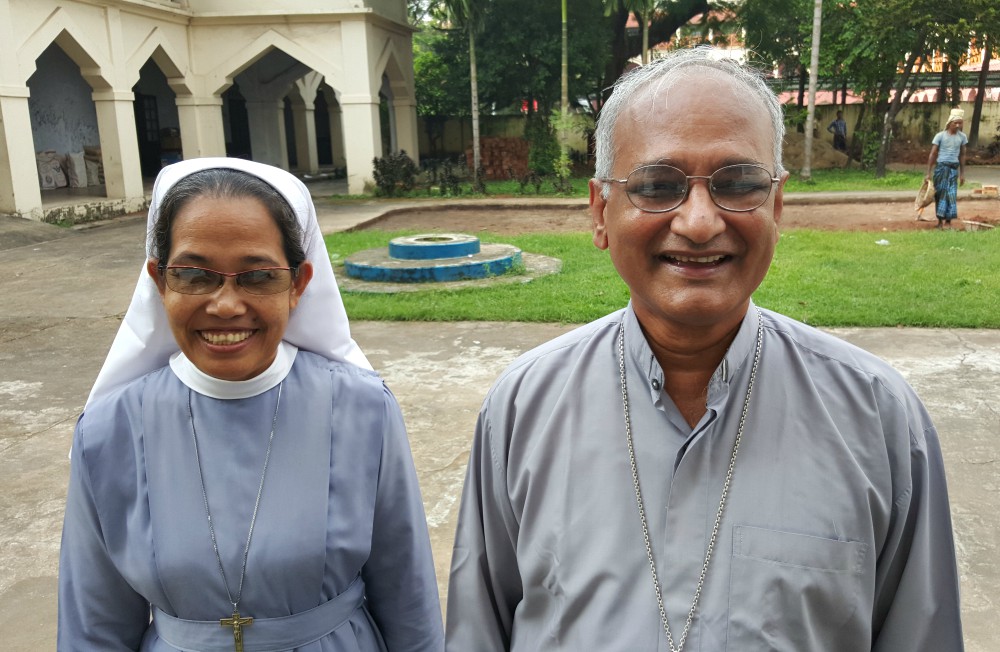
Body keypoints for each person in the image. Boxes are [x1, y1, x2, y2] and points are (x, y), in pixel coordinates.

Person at [446, 47, 963, 651]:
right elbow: (479, 631)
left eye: (738, 184)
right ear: (600, 211)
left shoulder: (876, 418)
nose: (697, 222)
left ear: (775, 204)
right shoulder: (522, 409)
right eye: (657, 185)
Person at [58, 158, 444, 651]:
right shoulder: (106, 431)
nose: (224, 305)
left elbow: (407, 595)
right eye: (194, 275)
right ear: (159, 280)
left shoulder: (363, 408)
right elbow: (93, 626)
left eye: (257, 276)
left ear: (299, 283)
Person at [926, 107, 968, 229]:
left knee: (951, 195)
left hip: (953, 170)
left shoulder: (962, 137)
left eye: (960, 123)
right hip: (941, 168)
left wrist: (962, 174)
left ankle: (948, 222)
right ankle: (939, 222)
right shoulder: (940, 136)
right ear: (950, 122)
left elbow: (963, 155)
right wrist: (928, 172)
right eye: (956, 123)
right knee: (939, 194)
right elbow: (933, 153)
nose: (958, 125)